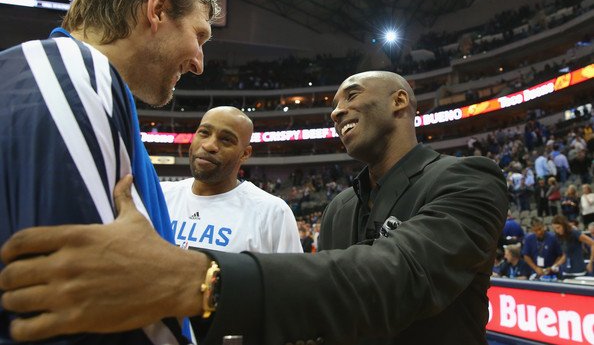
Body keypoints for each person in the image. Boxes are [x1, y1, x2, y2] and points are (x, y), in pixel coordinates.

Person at [0, 71, 509, 344]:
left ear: (400, 101)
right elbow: (325, 314)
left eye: (351, 96)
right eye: (334, 106)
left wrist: (201, 279)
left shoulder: (467, 178)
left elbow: (397, 277)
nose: (337, 111)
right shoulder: (339, 208)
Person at [0, 0, 218, 344]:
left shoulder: (53, 77)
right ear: (157, 9)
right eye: (199, 36)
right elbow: (89, 307)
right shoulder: (76, 72)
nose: (199, 63)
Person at [162, 106, 302, 253]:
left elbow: (291, 269)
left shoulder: (273, 213)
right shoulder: (159, 196)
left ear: (245, 154)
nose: (209, 145)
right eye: (204, 133)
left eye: (226, 139)